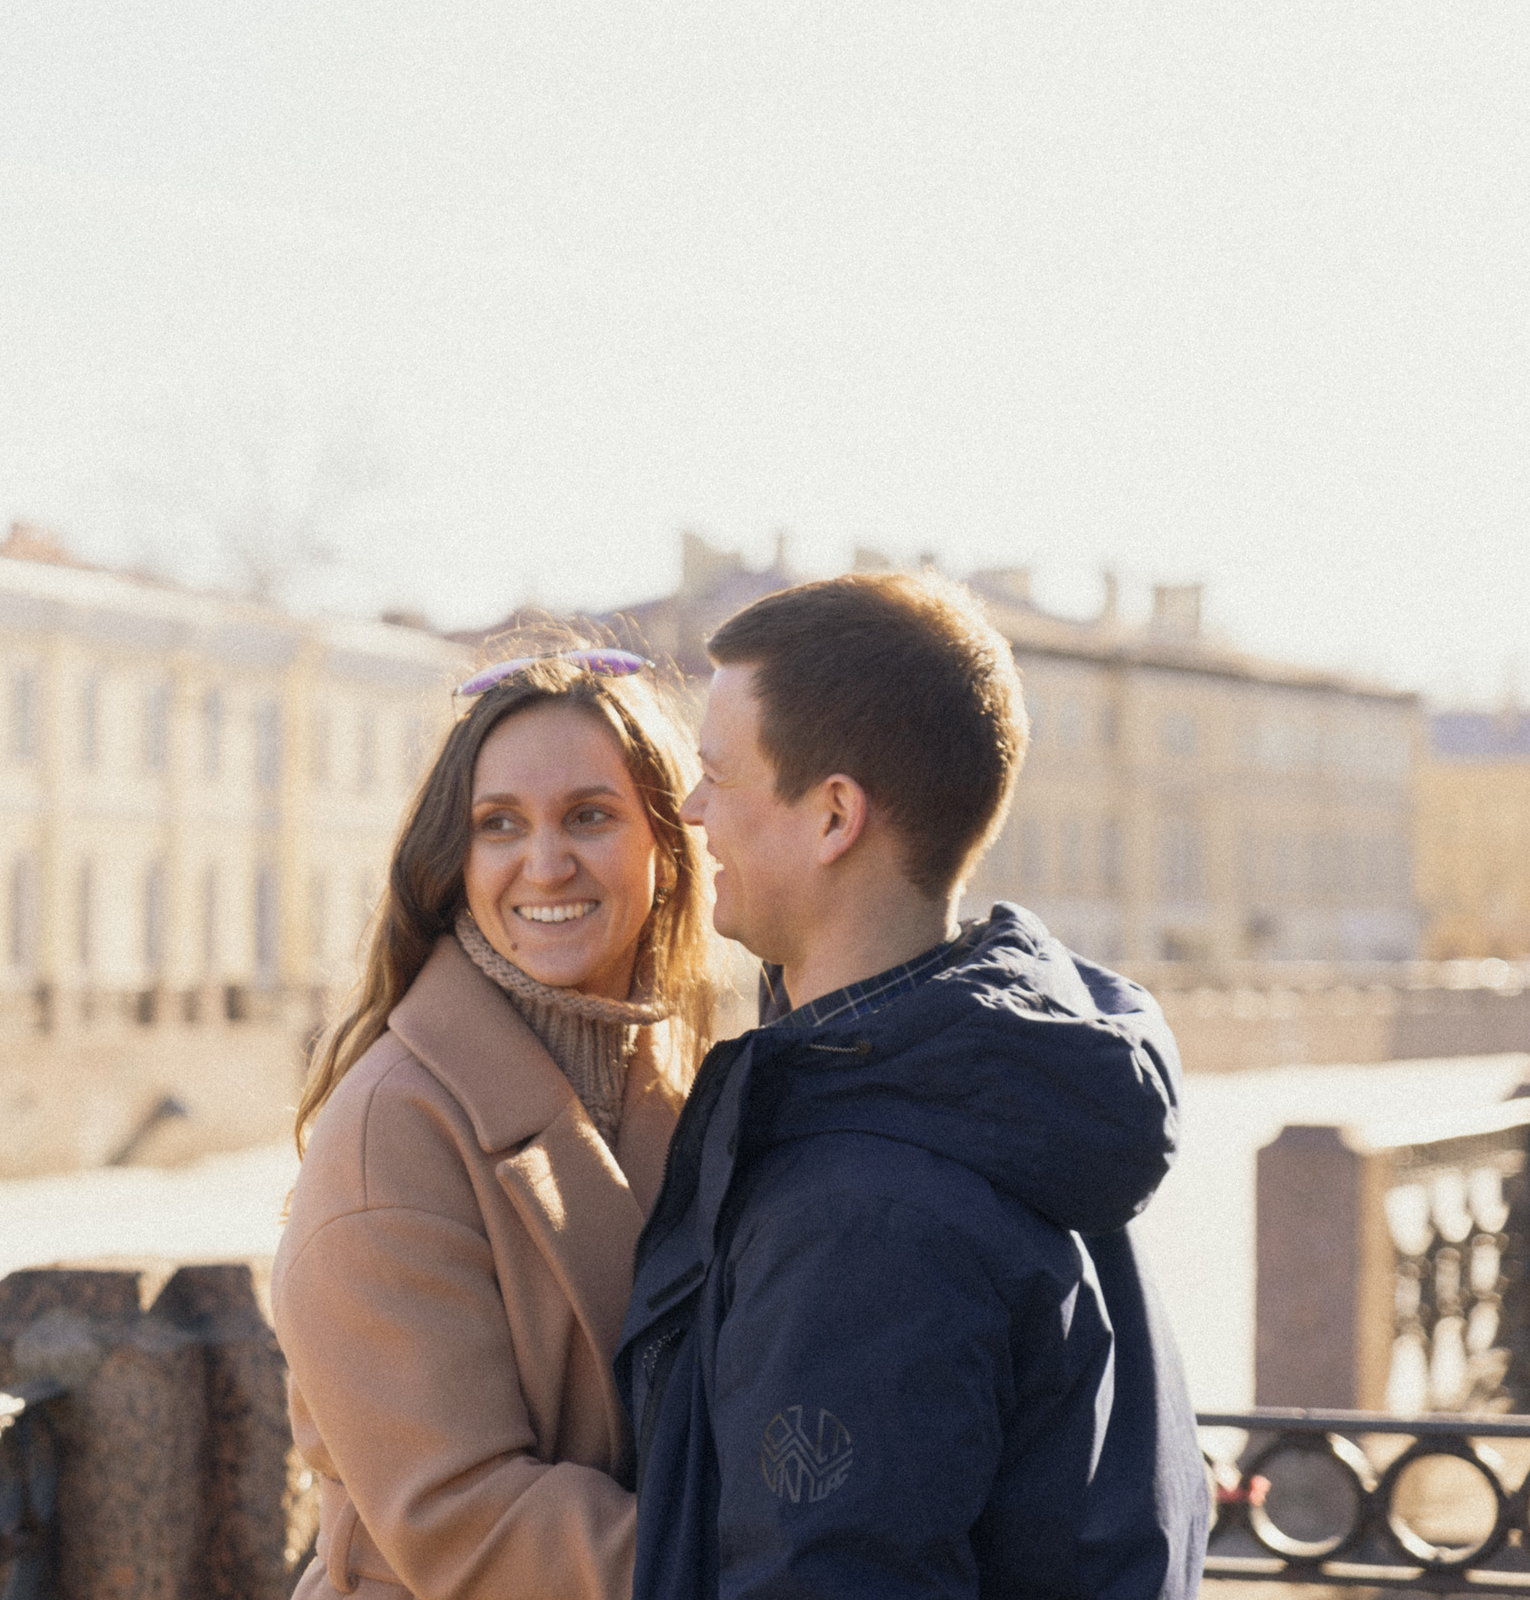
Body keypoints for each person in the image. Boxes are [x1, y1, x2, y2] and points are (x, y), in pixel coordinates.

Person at [619, 571, 1210, 1600]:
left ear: (833, 814)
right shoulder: (1017, 1071)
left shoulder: (859, 1208)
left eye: (718, 772)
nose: (690, 805)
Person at [273, 641, 726, 1600]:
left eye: (591, 815)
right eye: (499, 824)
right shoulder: (392, 1128)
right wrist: (780, 1570)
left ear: (669, 845)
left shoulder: (685, 1082)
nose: (545, 861)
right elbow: (464, 1514)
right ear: (456, 858)